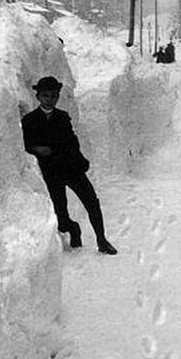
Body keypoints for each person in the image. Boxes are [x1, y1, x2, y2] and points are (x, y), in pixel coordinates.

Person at [21, 76, 117, 255]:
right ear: (38, 97)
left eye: (54, 96)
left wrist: (80, 161)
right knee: (61, 215)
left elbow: (72, 141)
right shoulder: (29, 120)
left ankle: (102, 240)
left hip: (71, 168)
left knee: (92, 203)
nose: (50, 100)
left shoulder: (63, 117)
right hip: (51, 172)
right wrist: (37, 149)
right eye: (45, 96)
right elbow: (24, 146)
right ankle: (73, 228)